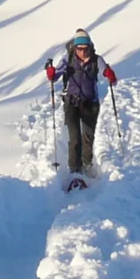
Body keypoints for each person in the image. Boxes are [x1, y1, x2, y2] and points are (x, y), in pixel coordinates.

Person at [44, 29, 118, 178]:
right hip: (72, 103)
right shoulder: (68, 59)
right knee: (75, 137)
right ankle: (74, 169)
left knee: (88, 137)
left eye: (85, 49)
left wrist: (110, 75)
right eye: (79, 49)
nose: (83, 52)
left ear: (90, 47)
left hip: (91, 104)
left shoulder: (97, 60)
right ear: (75, 48)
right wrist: (51, 73)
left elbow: (108, 74)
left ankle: (87, 164)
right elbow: (56, 75)